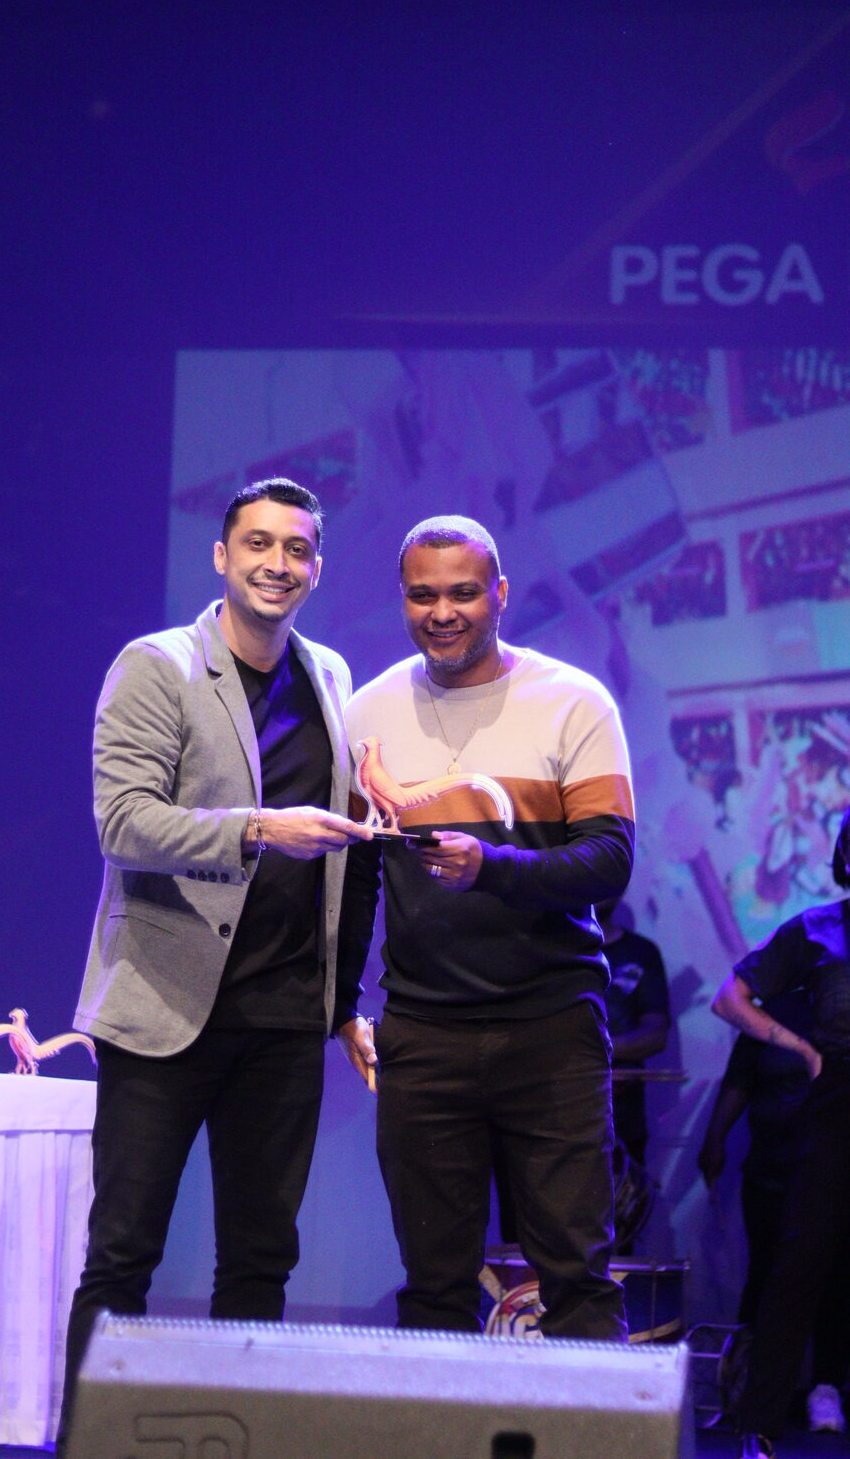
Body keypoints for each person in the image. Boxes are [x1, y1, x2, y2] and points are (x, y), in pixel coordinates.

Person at [57, 477, 372, 1454]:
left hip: (283, 1016)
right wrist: (256, 828)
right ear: (221, 556)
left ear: (317, 567)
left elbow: (346, 852)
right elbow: (123, 822)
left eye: (297, 549)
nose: (278, 564)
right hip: (165, 1007)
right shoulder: (156, 667)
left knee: (261, 1263)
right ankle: (88, 1444)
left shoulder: (330, 676)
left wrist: (344, 1001)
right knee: (123, 1255)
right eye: (259, 544)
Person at [336, 514, 634, 1339]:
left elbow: (609, 860)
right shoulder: (369, 711)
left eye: (463, 593)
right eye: (422, 595)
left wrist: (491, 866)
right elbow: (356, 875)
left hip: (551, 1030)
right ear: (403, 599)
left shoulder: (573, 700)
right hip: (424, 1036)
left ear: (500, 594)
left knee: (576, 1279)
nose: (443, 612)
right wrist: (341, 1005)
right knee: (434, 1287)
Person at [711, 805, 850, 1459]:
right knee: (797, 1269)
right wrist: (798, 1046)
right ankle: (759, 1426)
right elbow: (728, 997)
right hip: (836, 1108)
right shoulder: (817, 929)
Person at [699, 990, 850, 1434]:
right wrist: (714, 1139)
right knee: (765, 1276)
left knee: (834, 1280)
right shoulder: (770, 1015)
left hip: (831, 1178)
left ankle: (825, 1387)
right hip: (772, 1171)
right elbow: (739, 1081)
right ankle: (749, 1384)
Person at [599, 897, 671, 1170]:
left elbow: (655, 1035)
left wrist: (592, 1051)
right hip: (560, 1113)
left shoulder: (641, 952)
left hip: (623, 1118)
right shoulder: (554, 950)